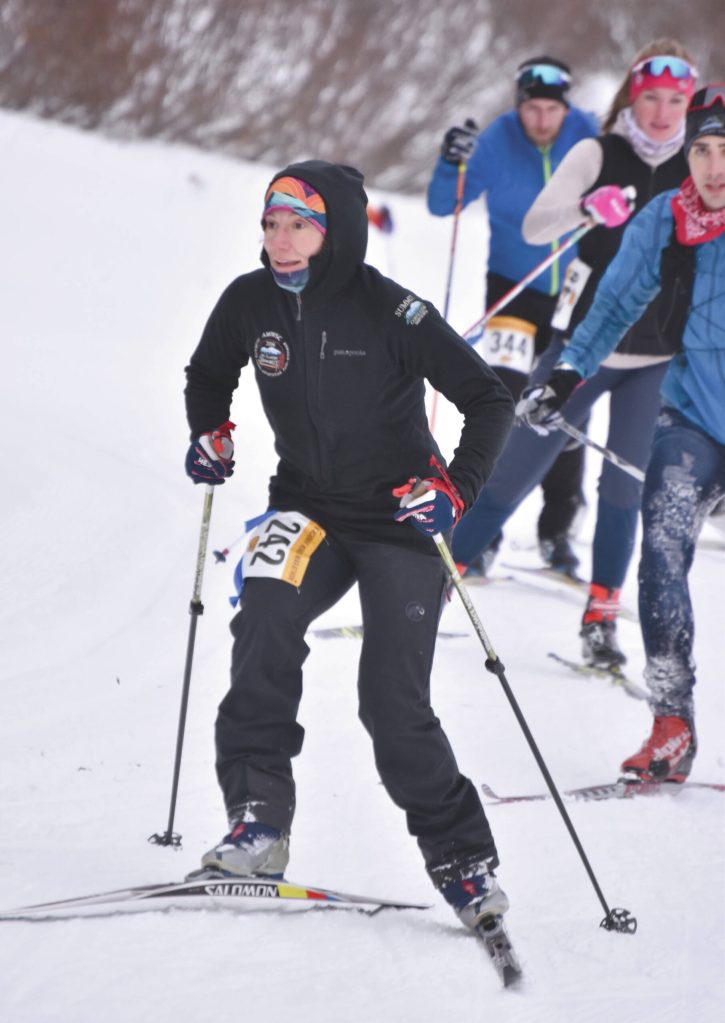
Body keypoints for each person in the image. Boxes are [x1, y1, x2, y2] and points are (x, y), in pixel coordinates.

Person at [183, 162, 515, 930]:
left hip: (400, 519)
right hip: (305, 506)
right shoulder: (248, 300)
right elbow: (207, 373)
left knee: (390, 700)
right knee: (263, 621)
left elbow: (487, 399)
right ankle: (258, 818)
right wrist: (209, 429)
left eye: (299, 224)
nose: (281, 240)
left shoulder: (392, 311)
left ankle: (461, 856)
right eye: (270, 223)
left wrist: (455, 490)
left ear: (336, 230)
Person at [451, 40, 696, 670]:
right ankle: (426, 588)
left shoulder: (701, 164)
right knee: (511, 472)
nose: (664, 114)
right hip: (578, 351)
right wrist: (585, 209)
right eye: (651, 99)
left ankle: (600, 620)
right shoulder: (598, 151)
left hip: (656, 359)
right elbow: (536, 227)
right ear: (630, 99)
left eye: (677, 101)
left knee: (623, 492)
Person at [518, 84, 725, 783]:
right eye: (700, 148)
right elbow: (610, 308)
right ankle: (670, 724)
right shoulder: (667, 218)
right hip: (691, 416)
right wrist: (566, 373)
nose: (711, 165)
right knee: (661, 548)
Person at [427, 56, 599, 576]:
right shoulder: (497, 141)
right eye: (533, 109)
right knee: (502, 398)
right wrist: (451, 163)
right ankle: (481, 532)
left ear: (564, 107)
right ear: (519, 105)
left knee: (565, 408)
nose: (542, 120)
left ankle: (556, 532)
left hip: (576, 287)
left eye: (552, 109)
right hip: (513, 287)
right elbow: (442, 205)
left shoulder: (589, 135)